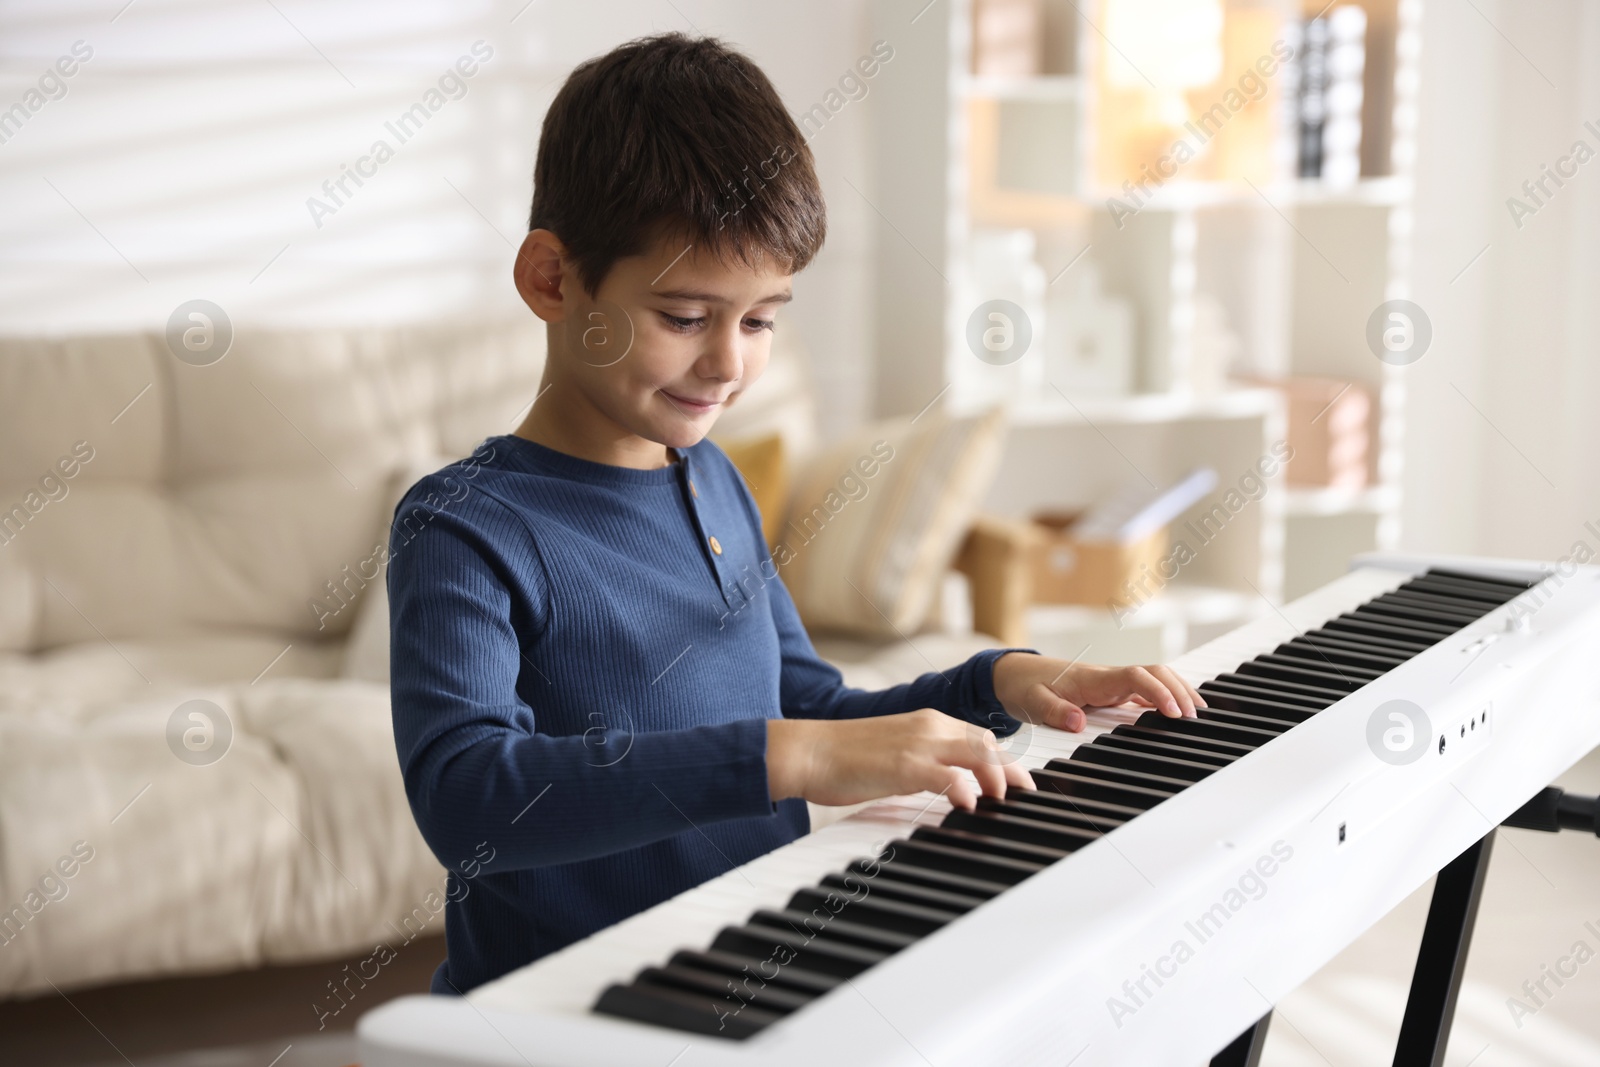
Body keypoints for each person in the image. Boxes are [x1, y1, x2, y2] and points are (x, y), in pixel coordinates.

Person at [386, 32, 1205, 997]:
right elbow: (472, 799)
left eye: (762, 319)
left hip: (742, 978)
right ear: (553, 280)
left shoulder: (712, 480)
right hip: (561, 1018)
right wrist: (797, 755)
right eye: (686, 318)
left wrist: (1002, 678)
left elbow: (810, 706)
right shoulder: (464, 527)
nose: (730, 363)